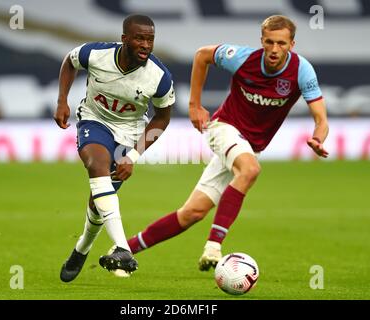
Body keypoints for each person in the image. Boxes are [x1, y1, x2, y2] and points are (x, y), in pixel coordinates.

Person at [119, 15, 329, 276]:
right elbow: (202, 55)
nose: (275, 50)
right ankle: (213, 247)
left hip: (249, 145)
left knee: (192, 213)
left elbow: (321, 119)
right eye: (269, 42)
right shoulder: (241, 58)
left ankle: (122, 251)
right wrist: (195, 104)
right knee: (250, 170)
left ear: (292, 44)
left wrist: (318, 138)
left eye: (281, 44)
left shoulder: (302, 71)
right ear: (261, 41)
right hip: (224, 128)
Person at [54, 14, 175, 282]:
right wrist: (62, 100)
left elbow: (162, 118)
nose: (146, 44)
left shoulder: (159, 77)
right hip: (94, 121)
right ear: (124, 39)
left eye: (150, 39)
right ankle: (123, 248)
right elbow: (70, 61)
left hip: (129, 134)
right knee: (97, 166)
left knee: (99, 201)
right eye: (139, 38)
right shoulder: (96, 54)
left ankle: (81, 248)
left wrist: (133, 155)